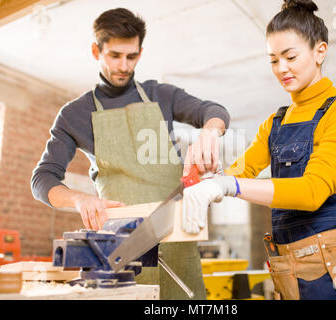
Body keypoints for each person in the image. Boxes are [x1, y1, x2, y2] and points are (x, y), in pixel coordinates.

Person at [182, 0, 336, 300]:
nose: (282, 69)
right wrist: (206, 175)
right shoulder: (275, 122)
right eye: (273, 60)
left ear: (320, 52)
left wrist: (230, 185)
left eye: (290, 56)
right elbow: (239, 171)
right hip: (289, 272)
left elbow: (312, 192)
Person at [31, 8, 230, 300]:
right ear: (95, 50)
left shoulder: (161, 95)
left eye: (132, 56)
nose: (124, 66)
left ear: (140, 51)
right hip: (122, 251)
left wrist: (211, 132)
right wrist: (79, 199)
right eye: (114, 55)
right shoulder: (74, 114)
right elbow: (42, 178)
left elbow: (213, 110)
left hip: (180, 242)